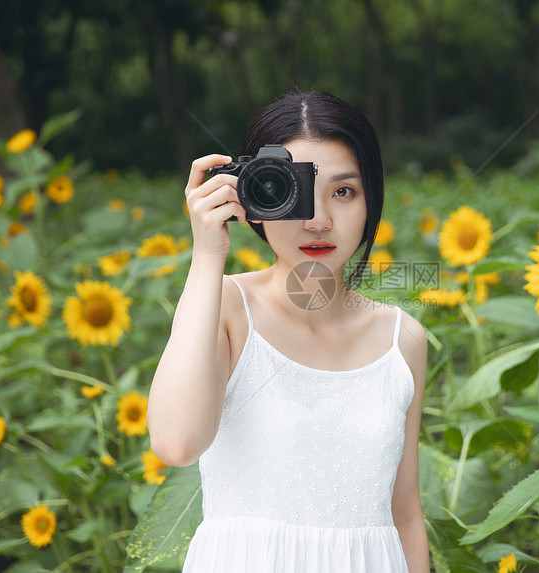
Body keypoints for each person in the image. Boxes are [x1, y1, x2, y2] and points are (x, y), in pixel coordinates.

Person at [147, 90, 430, 572]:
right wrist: (207, 255)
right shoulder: (227, 309)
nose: (319, 221)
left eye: (344, 192)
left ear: (371, 200)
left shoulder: (402, 338)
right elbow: (176, 443)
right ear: (256, 198)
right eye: (292, 190)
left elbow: (403, 513)